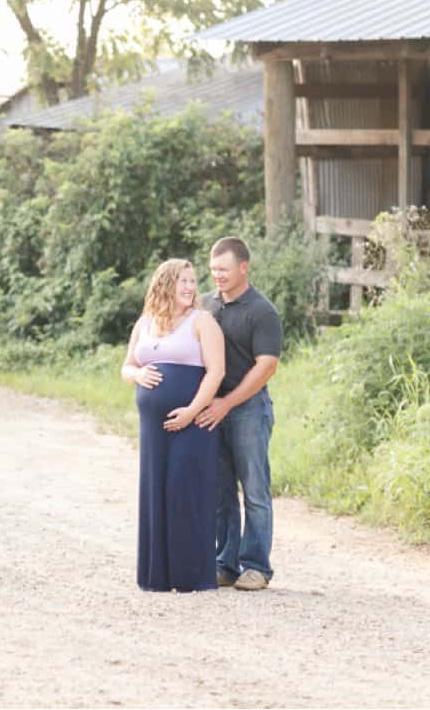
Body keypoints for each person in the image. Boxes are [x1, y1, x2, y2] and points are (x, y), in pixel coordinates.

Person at [121, 259, 224, 592]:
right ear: (165, 284)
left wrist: (192, 411)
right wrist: (137, 374)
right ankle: (157, 576)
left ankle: (190, 575)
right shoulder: (145, 323)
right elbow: (127, 367)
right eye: (182, 281)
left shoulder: (202, 321)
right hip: (152, 426)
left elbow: (216, 372)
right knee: (156, 490)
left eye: (193, 281)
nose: (190, 287)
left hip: (192, 423)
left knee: (186, 491)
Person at [195, 237, 282, 592]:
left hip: (247, 410)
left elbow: (267, 366)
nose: (217, 276)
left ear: (243, 268)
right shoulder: (205, 305)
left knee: (255, 490)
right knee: (220, 492)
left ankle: (257, 567)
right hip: (210, 411)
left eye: (224, 270)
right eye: (213, 270)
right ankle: (225, 564)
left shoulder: (262, 311)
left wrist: (228, 402)